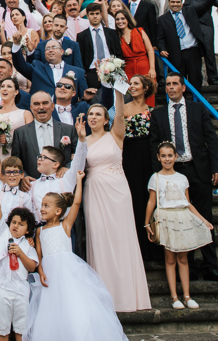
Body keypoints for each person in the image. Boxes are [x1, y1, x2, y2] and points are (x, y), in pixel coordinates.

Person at [25, 172, 126, 341]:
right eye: (42, 205)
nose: (42, 208)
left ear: (58, 211)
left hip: (67, 273)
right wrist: (41, 271)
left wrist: (79, 180)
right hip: (49, 275)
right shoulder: (39, 231)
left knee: (72, 305)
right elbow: (39, 255)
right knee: (52, 309)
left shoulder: (65, 225)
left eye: (46, 206)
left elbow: (77, 202)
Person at [150, 72, 218, 283]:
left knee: (205, 217)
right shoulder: (159, 114)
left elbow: (211, 138)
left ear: (183, 87)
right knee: (181, 218)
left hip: (198, 168)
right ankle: (189, 266)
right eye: (168, 85)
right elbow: (154, 144)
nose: (171, 87)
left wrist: (216, 167)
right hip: (174, 173)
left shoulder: (197, 108)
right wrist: (159, 174)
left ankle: (210, 265)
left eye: (175, 84)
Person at [81, 90, 151, 312]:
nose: (93, 117)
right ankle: (106, 296)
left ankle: (129, 296)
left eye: (97, 114)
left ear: (105, 119)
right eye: (90, 114)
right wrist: (80, 141)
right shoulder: (83, 139)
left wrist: (119, 90)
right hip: (94, 192)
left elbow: (120, 114)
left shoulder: (115, 135)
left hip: (118, 192)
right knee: (99, 238)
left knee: (123, 239)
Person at [146, 140, 214, 310]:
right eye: (163, 156)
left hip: (182, 217)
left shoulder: (182, 178)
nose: (167, 159)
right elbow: (151, 202)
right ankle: (174, 297)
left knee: (183, 258)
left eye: (170, 155)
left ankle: (187, 295)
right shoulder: (156, 177)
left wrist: (203, 220)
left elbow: (188, 202)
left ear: (176, 157)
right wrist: (147, 223)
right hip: (166, 218)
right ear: (158, 157)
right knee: (170, 259)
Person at [0, 184, 38, 341]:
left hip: (21, 288)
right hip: (2, 286)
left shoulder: (28, 245)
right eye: (14, 222)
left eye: (21, 224)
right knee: (2, 326)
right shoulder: (3, 231)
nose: (16, 226)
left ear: (28, 230)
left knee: (21, 325)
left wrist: (21, 253)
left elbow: (31, 267)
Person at [155, 0, 218, 95]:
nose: (175, 5)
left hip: (193, 52)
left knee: (195, 80)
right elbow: (160, 38)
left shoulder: (190, 11)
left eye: (178, 2)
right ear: (169, 3)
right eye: (173, 2)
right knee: (178, 83)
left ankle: (197, 106)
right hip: (176, 54)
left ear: (182, 3)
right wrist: (162, 49)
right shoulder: (163, 19)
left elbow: (205, 5)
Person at [122, 74, 160, 263]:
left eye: (136, 83)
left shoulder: (153, 112)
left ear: (146, 88)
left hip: (148, 158)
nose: (132, 86)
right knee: (134, 200)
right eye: (130, 84)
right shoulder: (121, 109)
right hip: (128, 158)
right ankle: (139, 252)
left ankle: (155, 248)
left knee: (150, 201)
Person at [10, 91, 76, 179]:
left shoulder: (68, 130)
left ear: (52, 106)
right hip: (32, 186)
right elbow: (15, 161)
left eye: (45, 103)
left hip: (62, 183)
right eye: (36, 104)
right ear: (31, 108)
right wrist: (24, 177)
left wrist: (67, 167)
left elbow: (78, 155)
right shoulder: (21, 133)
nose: (41, 107)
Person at [76, 1, 122, 108]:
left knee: (114, 99)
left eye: (97, 13)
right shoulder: (82, 36)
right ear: (87, 16)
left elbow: (118, 52)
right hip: (92, 72)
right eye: (92, 14)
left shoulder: (111, 33)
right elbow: (81, 56)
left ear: (101, 14)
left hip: (111, 70)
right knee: (96, 101)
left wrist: (117, 69)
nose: (95, 16)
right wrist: (85, 72)